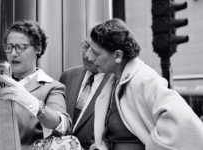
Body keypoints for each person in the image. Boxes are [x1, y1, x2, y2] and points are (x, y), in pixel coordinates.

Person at [84, 18, 203, 150]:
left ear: (118, 55)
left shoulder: (144, 78)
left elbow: (184, 121)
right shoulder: (114, 82)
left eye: (95, 52)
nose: (89, 57)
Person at [0, 20, 71, 149]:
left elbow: (63, 126)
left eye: (20, 47)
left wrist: (33, 104)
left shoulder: (51, 87)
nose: (13, 53)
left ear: (38, 49)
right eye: (9, 47)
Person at [59, 32, 111, 149]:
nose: (87, 55)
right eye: (86, 46)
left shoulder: (115, 84)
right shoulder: (68, 76)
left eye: (95, 51)